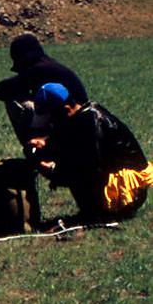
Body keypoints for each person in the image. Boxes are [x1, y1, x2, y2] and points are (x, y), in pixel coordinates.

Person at [29, 82, 151, 224]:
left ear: (66, 109)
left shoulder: (92, 123)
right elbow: (65, 139)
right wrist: (46, 144)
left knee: (76, 170)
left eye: (52, 119)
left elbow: (89, 169)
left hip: (126, 194)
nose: (51, 124)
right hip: (113, 179)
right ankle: (94, 211)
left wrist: (53, 170)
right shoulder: (79, 116)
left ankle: (98, 214)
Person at [0, 33, 89, 149]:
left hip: (72, 122)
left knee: (14, 102)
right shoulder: (48, 66)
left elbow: (0, 90)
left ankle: (34, 148)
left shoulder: (39, 70)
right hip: (77, 121)